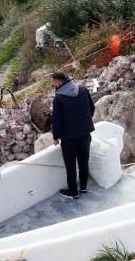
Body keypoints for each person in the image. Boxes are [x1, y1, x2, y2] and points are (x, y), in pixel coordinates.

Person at [50, 71, 96, 199]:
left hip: (69, 139)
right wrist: (84, 123)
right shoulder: (83, 90)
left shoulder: (59, 99)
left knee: (70, 165)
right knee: (83, 161)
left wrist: (55, 137)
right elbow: (91, 109)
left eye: (52, 83)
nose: (52, 86)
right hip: (85, 134)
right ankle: (84, 187)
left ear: (58, 82)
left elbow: (56, 121)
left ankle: (73, 192)